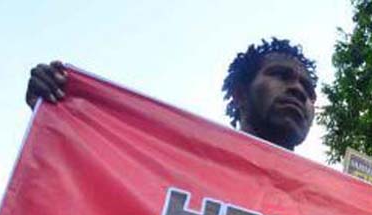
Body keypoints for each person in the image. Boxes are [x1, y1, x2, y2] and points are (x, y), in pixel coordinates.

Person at [25, 38, 317, 151]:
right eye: (281, 75)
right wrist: (60, 109)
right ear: (240, 94)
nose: (298, 90)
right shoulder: (176, 161)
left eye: (308, 89)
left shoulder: (328, 208)